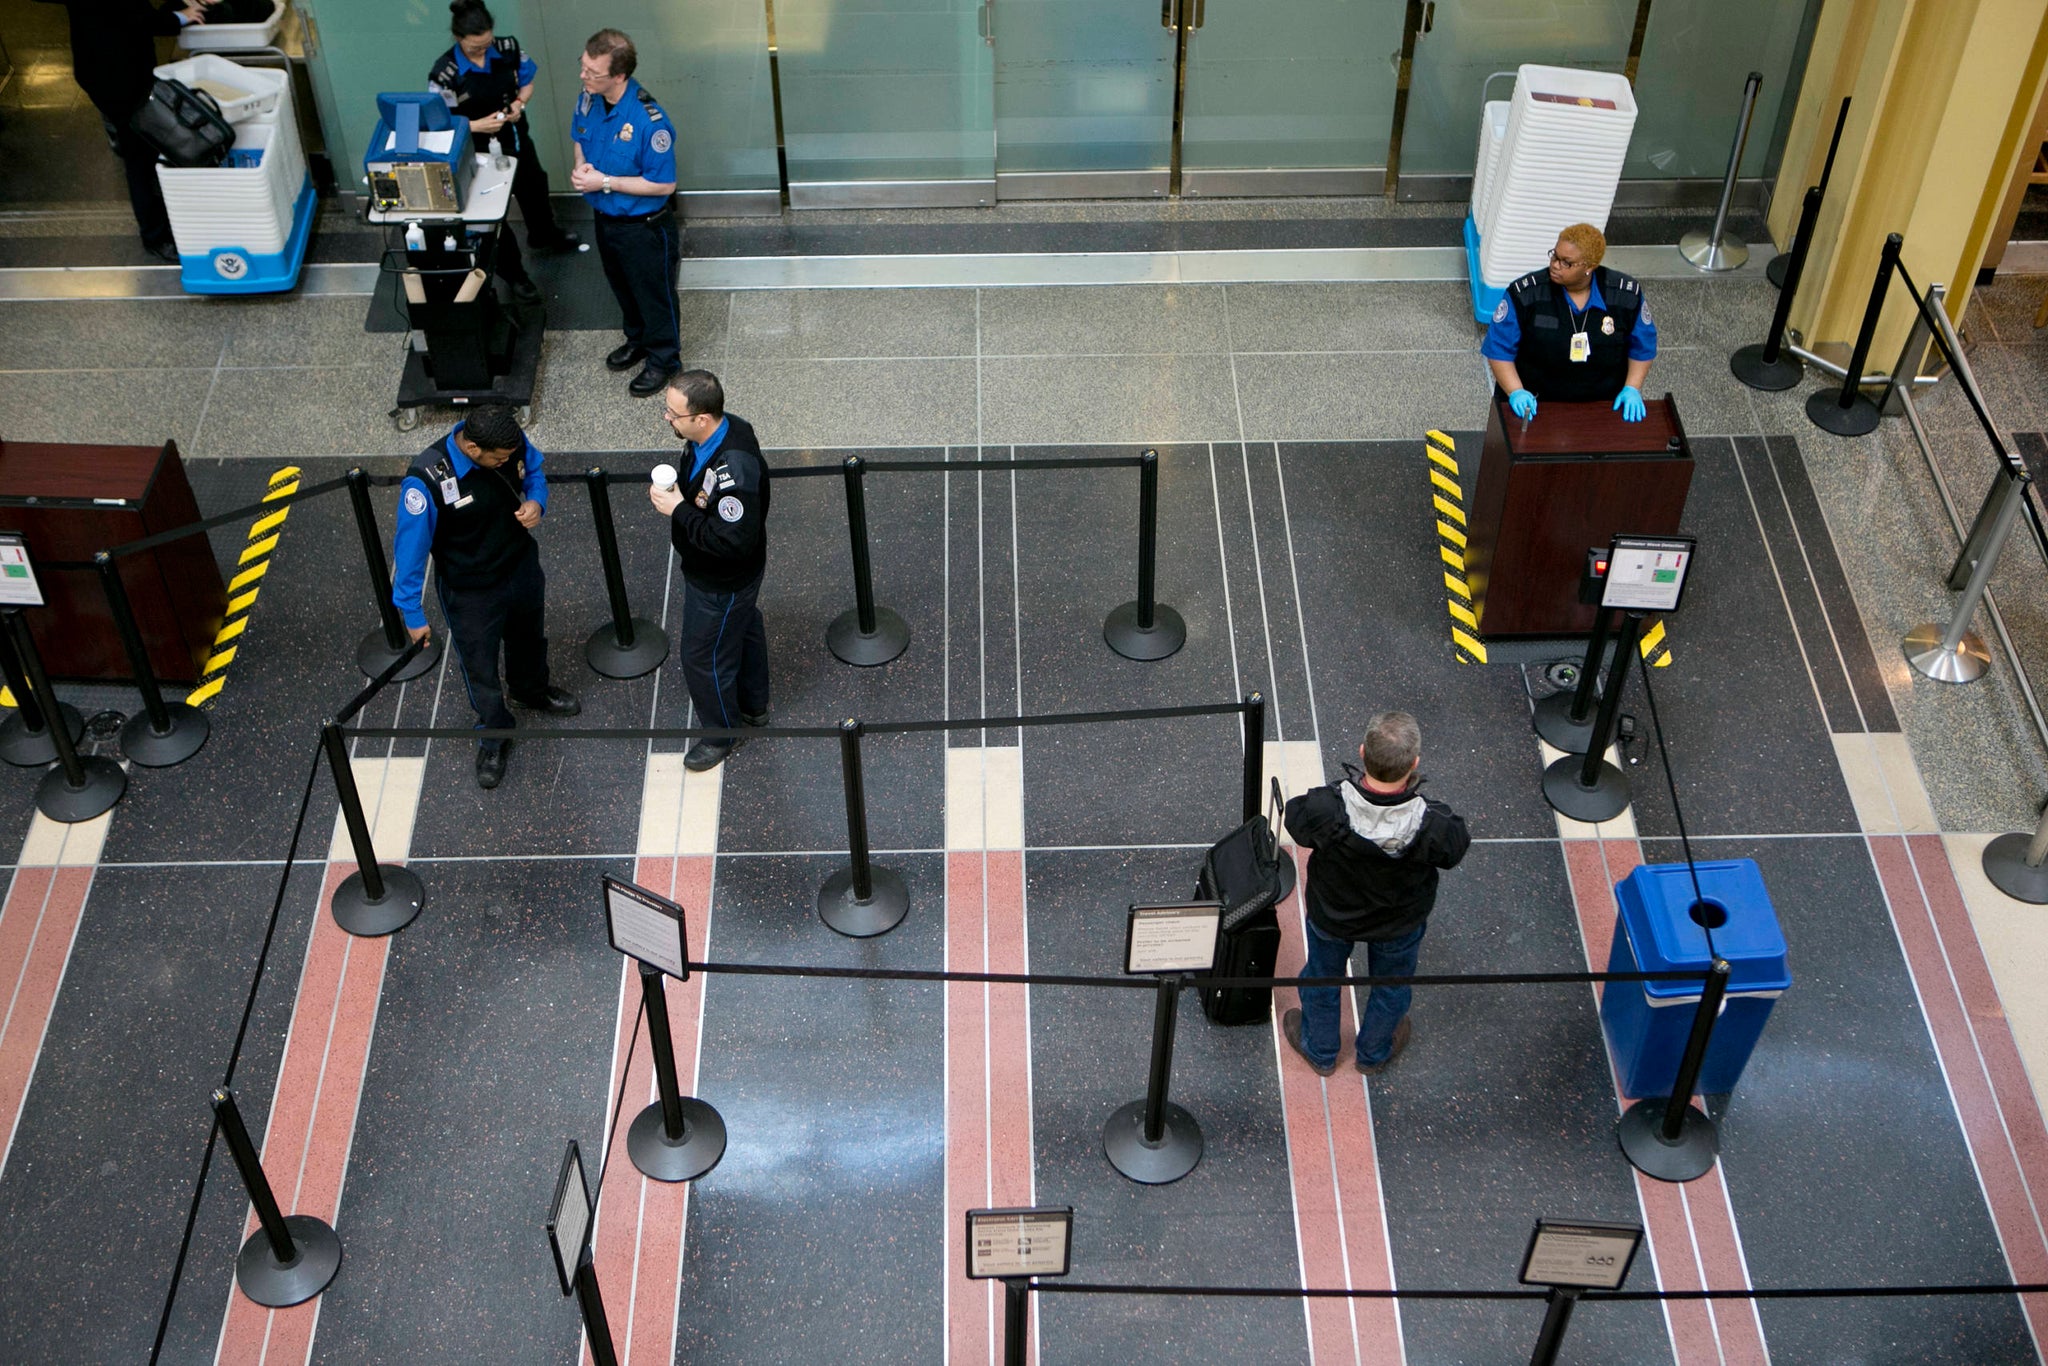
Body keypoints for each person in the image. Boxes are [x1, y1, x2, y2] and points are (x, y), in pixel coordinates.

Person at [392, 404, 581, 790]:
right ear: (474, 449)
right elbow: (408, 553)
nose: (507, 462)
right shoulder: (426, 480)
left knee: (530, 638)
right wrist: (411, 612)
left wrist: (536, 502)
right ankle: (494, 733)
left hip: (519, 566)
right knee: (479, 666)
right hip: (470, 590)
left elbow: (536, 473)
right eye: (499, 459)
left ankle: (531, 691)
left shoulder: (507, 440)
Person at [1281, 711, 1469, 1076]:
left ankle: (1319, 1051)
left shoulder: (1326, 807)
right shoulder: (1435, 823)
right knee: (1391, 985)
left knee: (1322, 978)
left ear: (1363, 752)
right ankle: (1373, 1053)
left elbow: (1296, 822)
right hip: (1400, 922)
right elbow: (1454, 850)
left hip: (1332, 915)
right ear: (1414, 763)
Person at [649, 371, 770, 772]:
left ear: (702, 418)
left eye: (674, 413)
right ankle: (754, 705)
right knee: (745, 626)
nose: (668, 418)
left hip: (721, 580)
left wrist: (678, 510)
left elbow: (732, 542)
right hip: (731, 578)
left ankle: (722, 733)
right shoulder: (720, 430)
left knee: (702, 656)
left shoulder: (733, 468)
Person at [427, 0, 580, 308]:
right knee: (493, 211)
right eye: (474, 48)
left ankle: (544, 233)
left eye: (486, 45)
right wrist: (475, 126)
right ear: (459, 39)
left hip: (513, 136)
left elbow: (527, 82)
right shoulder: (445, 73)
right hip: (476, 149)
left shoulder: (508, 48)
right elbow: (439, 123)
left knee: (534, 185)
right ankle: (515, 275)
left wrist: (518, 106)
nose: (482, 52)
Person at [570, 29, 682, 399]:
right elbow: (580, 137)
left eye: (593, 72)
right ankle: (637, 340)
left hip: (644, 227)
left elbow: (663, 185)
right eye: (583, 67)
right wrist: (582, 168)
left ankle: (664, 359)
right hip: (606, 220)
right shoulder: (589, 98)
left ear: (619, 76)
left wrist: (604, 182)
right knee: (623, 287)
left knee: (654, 294)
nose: (584, 76)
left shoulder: (650, 122)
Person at [65, 0, 209, 261]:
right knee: (139, 157)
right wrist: (180, 17)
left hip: (98, 64)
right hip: (118, 72)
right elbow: (139, 18)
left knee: (135, 137)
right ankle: (156, 236)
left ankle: (118, 127)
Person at [1482, 222, 1659, 423]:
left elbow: (1642, 347)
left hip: (1601, 403)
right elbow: (1499, 349)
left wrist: (1632, 387)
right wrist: (1516, 391)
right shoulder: (1526, 294)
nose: (1555, 265)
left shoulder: (1624, 295)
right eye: (1554, 256)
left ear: (1589, 267)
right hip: (1536, 403)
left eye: (1566, 262)